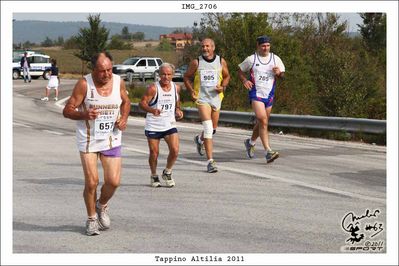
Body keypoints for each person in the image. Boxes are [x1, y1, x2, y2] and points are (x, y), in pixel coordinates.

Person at [62, 51, 131, 236]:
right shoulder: (84, 84)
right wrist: (84, 114)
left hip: (112, 138)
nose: (107, 74)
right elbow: (67, 110)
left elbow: (126, 102)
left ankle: (101, 205)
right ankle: (92, 219)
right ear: (94, 69)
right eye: (102, 71)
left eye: (109, 69)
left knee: (114, 182)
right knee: (92, 182)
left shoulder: (118, 81)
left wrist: (123, 118)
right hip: (89, 139)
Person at [183, 38, 230, 173]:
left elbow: (227, 76)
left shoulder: (221, 61)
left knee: (213, 129)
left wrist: (223, 87)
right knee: (208, 128)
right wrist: (191, 91)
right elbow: (186, 77)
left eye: (207, 46)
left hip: (216, 98)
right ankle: (210, 162)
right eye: (203, 46)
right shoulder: (196, 62)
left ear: (213, 48)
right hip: (202, 99)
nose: (205, 49)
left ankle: (199, 139)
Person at [238, 35, 285, 163]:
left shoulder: (275, 59)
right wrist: (245, 80)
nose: (266, 48)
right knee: (263, 121)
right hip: (256, 94)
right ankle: (268, 151)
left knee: (261, 123)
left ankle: (251, 142)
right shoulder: (251, 59)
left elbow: (283, 76)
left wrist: (279, 74)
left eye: (268, 45)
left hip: (269, 95)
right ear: (258, 46)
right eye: (263, 46)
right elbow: (240, 71)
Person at [139, 63, 184, 188]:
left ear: (173, 75)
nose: (166, 77)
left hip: (169, 124)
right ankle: (154, 175)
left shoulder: (176, 88)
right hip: (154, 125)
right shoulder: (153, 88)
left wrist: (178, 109)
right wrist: (152, 110)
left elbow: (177, 100)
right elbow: (141, 103)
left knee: (175, 150)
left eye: (169, 74)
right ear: (159, 75)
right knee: (154, 153)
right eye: (163, 74)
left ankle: (167, 172)